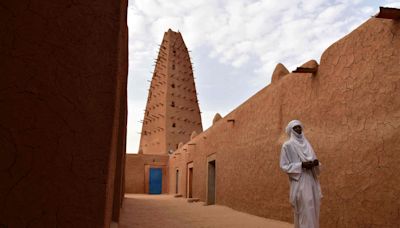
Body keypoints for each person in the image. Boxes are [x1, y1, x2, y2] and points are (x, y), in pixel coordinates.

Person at [280, 120, 322, 228]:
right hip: (300, 181)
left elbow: (313, 159)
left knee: (313, 208)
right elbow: (284, 165)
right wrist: (301, 165)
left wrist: (316, 163)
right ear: (291, 130)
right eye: (295, 128)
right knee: (305, 209)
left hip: (311, 179)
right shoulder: (287, 145)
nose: (298, 129)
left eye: (299, 127)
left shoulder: (307, 143)